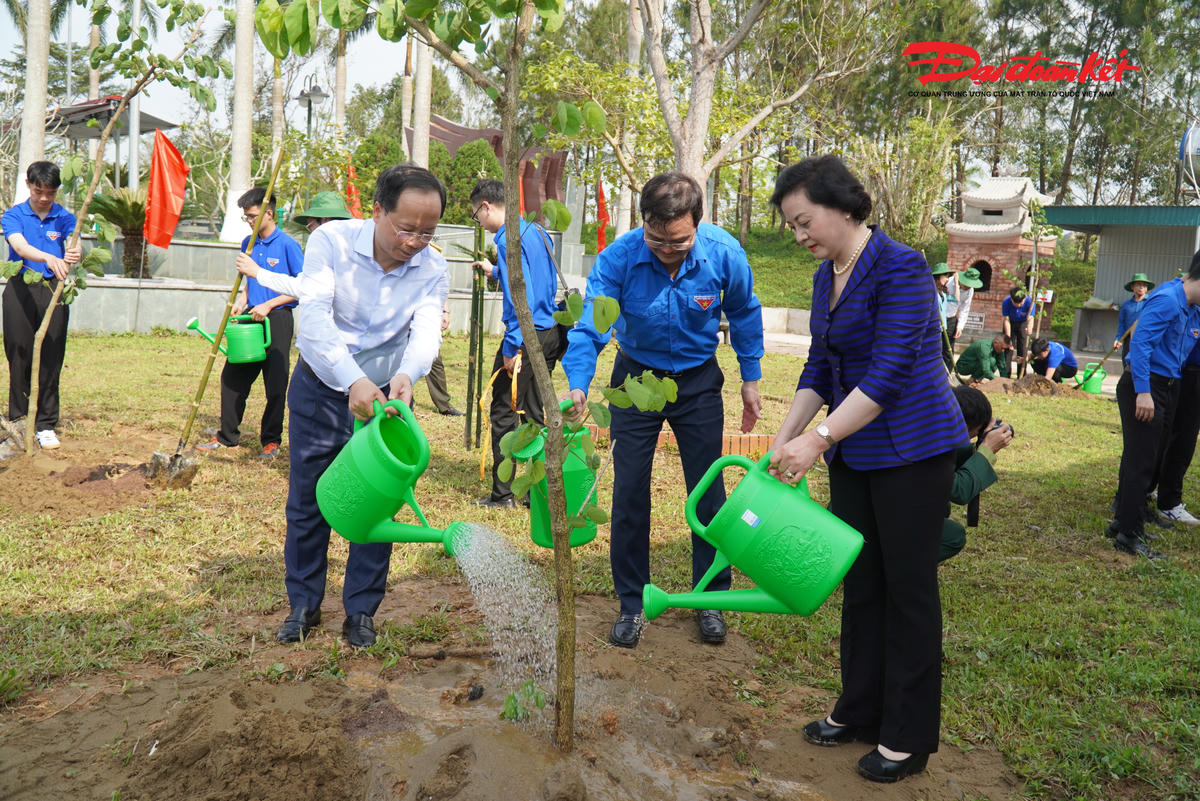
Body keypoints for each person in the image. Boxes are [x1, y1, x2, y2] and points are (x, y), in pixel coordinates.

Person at [766, 155, 968, 783]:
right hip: (857, 452)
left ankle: (906, 737)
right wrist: (785, 439)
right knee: (861, 582)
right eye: (793, 228)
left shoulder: (902, 267)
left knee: (908, 591)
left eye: (804, 222)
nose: (800, 237)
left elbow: (888, 374)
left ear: (843, 206)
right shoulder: (828, 277)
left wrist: (819, 439)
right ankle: (858, 708)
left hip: (913, 451)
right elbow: (819, 370)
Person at [562, 171, 764, 649]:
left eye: (679, 241)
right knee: (629, 491)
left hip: (698, 383)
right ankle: (632, 603)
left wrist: (751, 379)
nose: (667, 249)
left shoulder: (723, 254)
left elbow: (744, 312)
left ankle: (710, 599)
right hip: (635, 381)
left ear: (698, 223)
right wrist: (577, 383)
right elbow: (592, 324)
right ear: (644, 222)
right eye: (657, 238)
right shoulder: (619, 259)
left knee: (707, 491)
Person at [279, 164, 449, 648]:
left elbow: (426, 332)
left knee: (378, 502)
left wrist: (406, 375)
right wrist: (351, 378)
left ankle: (361, 612)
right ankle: (304, 604)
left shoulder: (433, 268)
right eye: (406, 228)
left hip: (383, 401)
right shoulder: (331, 242)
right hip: (321, 386)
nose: (416, 240)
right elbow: (312, 315)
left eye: (428, 232)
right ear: (377, 211)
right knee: (309, 498)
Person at [469, 178, 562, 508]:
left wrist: (511, 347)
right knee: (537, 413)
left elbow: (520, 295)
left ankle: (503, 493)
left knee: (503, 413)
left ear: (486, 206)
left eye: (475, 214)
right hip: (550, 330)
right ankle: (537, 492)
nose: (478, 221)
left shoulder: (508, 239)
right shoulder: (534, 231)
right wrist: (495, 270)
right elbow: (534, 277)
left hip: (525, 335)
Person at [196, 188, 303, 458]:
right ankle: (227, 436)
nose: (250, 222)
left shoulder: (288, 245)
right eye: (246, 218)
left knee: (275, 383)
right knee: (232, 377)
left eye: (253, 216)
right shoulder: (248, 243)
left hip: (277, 318)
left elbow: (303, 287)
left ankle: (271, 440)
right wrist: (243, 301)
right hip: (251, 317)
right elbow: (249, 281)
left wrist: (269, 304)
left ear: (269, 213)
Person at [1110, 250, 1200, 560]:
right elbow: (1140, 344)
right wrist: (1144, 392)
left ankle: (1128, 518)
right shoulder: (1167, 300)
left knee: (1147, 455)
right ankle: (1127, 534)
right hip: (1147, 385)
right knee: (1141, 460)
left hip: (1166, 385)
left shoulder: (1185, 304)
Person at [2, 161, 81, 450]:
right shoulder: (14, 215)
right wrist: (48, 257)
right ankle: (19, 421)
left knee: (51, 353)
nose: (45, 198)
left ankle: (46, 423)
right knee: (18, 352)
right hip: (20, 289)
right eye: (39, 191)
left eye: (50, 192)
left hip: (54, 290)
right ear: (29, 185)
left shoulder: (65, 217)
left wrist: (74, 252)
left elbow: (75, 242)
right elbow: (19, 247)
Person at [940, 386, 1013, 562]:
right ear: (963, 426)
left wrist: (976, 448)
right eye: (973, 433)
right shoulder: (931, 445)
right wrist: (986, 450)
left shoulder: (933, 428)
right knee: (952, 536)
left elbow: (950, 455)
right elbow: (958, 490)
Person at [1152, 335, 1200, 526]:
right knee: (1183, 438)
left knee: (1173, 434)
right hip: (1189, 371)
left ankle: (1152, 489)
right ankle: (1169, 502)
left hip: (1182, 370)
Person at [1114, 272, 1153, 361]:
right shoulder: (1126, 305)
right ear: (1132, 287)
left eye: (1144, 285)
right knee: (1127, 365)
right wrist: (1118, 339)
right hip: (1129, 339)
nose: (1141, 287)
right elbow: (1122, 324)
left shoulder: (1151, 303)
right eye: (1139, 284)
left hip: (1145, 339)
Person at [1001, 287, 1034, 378]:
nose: (1018, 306)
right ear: (1011, 299)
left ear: (1024, 299)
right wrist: (1008, 338)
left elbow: (1031, 317)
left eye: (1020, 303)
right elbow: (1006, 320)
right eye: (1015, 303)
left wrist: (1029, 328)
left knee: (1022, 349)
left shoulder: (1029, 302)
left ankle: (1021, 375)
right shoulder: (1006, 302)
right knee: (1008, 349)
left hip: (1023, 323)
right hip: (1010, 322)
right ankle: (1006, 375)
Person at [932, 263, 955, 373]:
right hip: (933, 328)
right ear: (938, 276)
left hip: (942, 328)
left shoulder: (943, 293)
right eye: (945, 276)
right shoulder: (931, 292)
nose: (947, 279)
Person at [948, 266, 982, 340]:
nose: (968, 287)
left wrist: (960, 327)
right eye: (967, 285)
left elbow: (965, 309)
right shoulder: (949, 283)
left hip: (951, 318)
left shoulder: (970, 291)